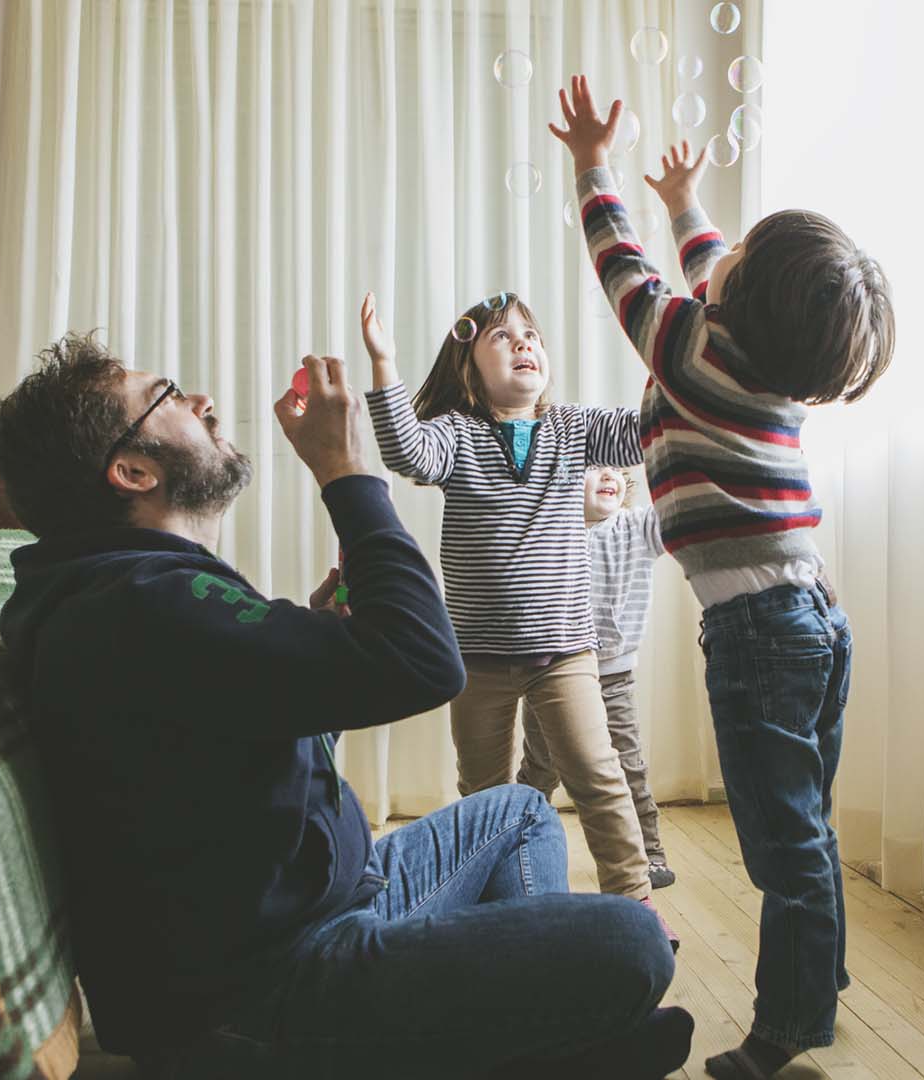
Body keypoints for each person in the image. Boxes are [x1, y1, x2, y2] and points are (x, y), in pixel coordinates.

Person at [0, 332, 692, 1079]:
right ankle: (522, 1043)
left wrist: (319, 640)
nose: (203, 403)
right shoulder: (147, 603)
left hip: (330, 908)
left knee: (517, 810)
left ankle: (516, 1038)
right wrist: (345, 470)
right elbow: (428, 663)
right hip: (271, 994)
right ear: (131, 470)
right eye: (168, 398)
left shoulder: (134, 596)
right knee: (632, 945)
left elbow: (235, 737)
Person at [549, 75, 896, 1080]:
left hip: (761, 632)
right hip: (813, 616)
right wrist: (687, 203)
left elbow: (625, 275)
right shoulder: (759, 360)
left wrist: (593, 168)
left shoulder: (692, 352)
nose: (718, 259)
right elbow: (711, 268)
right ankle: (815, 973)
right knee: (806, 828)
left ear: (739, 302)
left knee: (779, 847)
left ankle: (785, 1031)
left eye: (733, 260)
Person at [358, 290, 675, 942]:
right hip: (476, 658)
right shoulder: (458, 435)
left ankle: (637, 905)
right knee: (484, 793)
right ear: (469, 368)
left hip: (565, 653)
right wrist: (384, 364)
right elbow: (406, 453)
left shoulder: (571, 428)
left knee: (599, 776)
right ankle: (493, 911)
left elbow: (647, 429)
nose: (524, 343)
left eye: (531, 334)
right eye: (502, 337)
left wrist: (671, 356)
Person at [519, 466, 675, 889]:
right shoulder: (550, 529)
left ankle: (650, 853)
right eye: (593, 468)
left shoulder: (637, 527)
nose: (608, 475)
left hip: (614, 675)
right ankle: (512, 847)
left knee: (628, 764)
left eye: (615, 470)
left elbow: (676, 509)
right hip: (552, 674)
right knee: (541, 765)